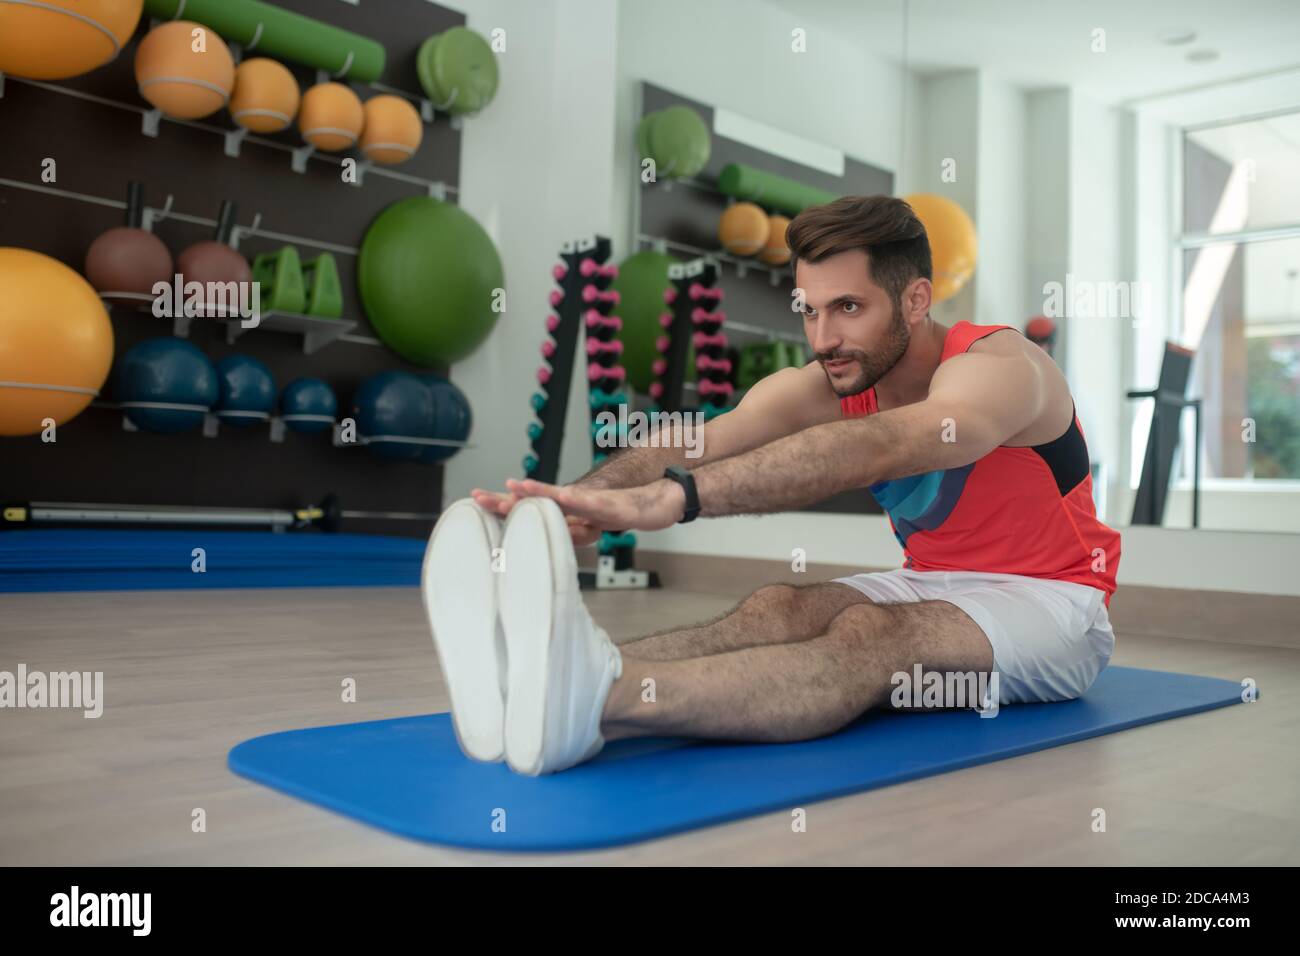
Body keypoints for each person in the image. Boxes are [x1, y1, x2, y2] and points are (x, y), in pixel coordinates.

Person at [424, 194, 1121, 776]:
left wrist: (675, 499)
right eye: (809, 310)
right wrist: (577, 500)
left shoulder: (999, 367)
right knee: (776, 607)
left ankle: (600, 699)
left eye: (847, 308)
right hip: (937, 579)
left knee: (870, 637)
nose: (823, 338)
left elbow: (893, 441)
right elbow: (698, 438)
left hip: (1057, 604)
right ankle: (539, 677)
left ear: (915, 300)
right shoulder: (835, 376)